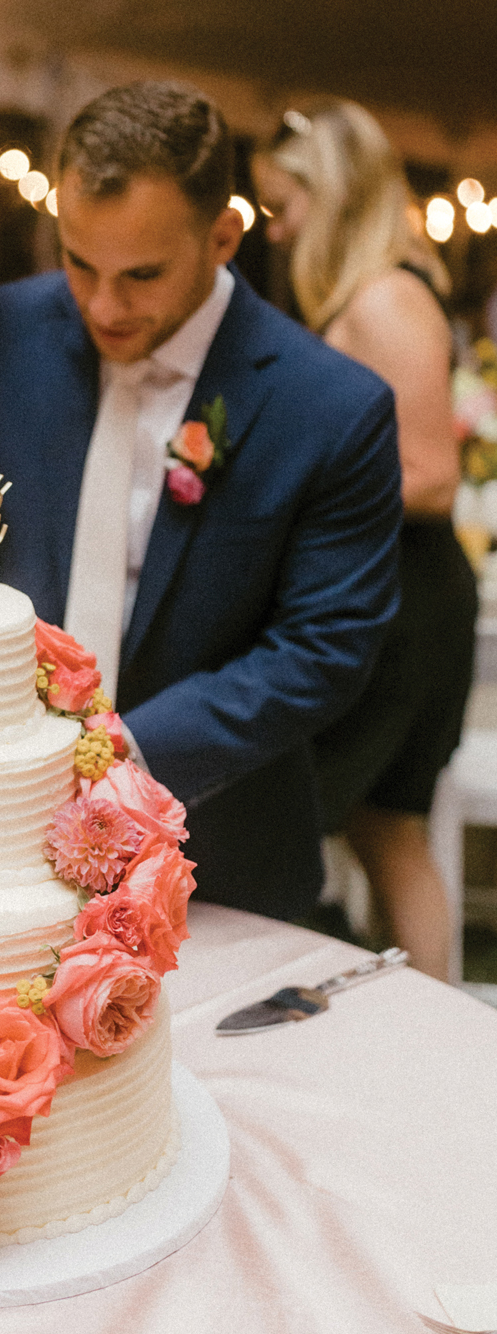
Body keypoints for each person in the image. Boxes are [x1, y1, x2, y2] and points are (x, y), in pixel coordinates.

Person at [0, 80, 402, 924]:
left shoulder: (332, 409)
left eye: (143, 275)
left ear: (224, 235)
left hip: (218, 856)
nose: (103, 305)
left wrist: (124, 753)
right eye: (80, 262)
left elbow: (323, 648)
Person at [254, 101, 477, 978]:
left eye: (284, 206)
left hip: (402, 605)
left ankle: (413, 1024)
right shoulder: (372, 291)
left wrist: (287, 501)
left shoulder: (386, 296)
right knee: (387, 830)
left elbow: (432, 475)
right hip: (397, 594)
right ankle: (426, 1026)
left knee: (333, 822)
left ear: (334, 193)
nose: (276, 229)